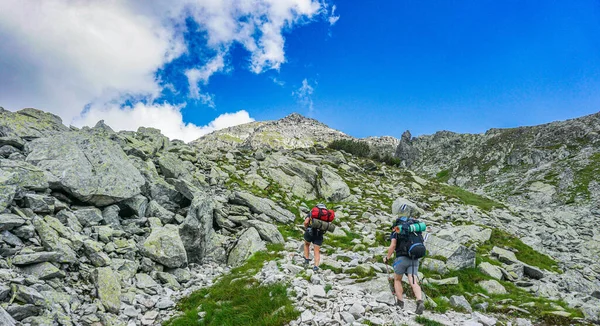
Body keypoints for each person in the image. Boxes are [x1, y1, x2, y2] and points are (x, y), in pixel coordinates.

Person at [383, 213, 426, 315]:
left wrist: (387, 257)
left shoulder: (397, 230)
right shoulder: (415, 230)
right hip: (414, 258)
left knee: (397, 280)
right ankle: (419, 301)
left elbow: (393, 245)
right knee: (413, 281)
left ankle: (400, 303)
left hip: (401, 259)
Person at [303, 203, 327, 271]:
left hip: (310, 231)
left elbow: (306, 222)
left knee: (306, 244)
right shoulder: (326, 214)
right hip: (319, 234)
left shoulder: (312, 212)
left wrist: (306, 227)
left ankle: (306, 260)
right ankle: (316, 266)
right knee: (316, 250)